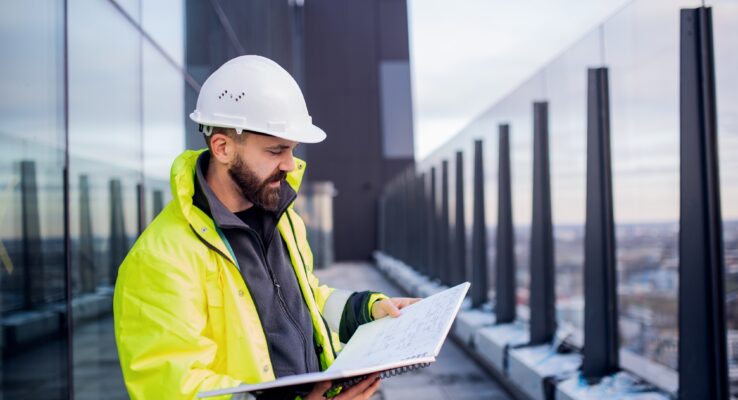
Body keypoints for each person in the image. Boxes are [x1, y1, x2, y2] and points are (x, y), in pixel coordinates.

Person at [113, 55, 419, 400]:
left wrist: (370, 309)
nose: (290, 164)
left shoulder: (283, 219)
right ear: (223, 147)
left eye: (291, 149)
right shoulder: (159, 260)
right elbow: (172, 390)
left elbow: (305, 300)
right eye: (276, 150)